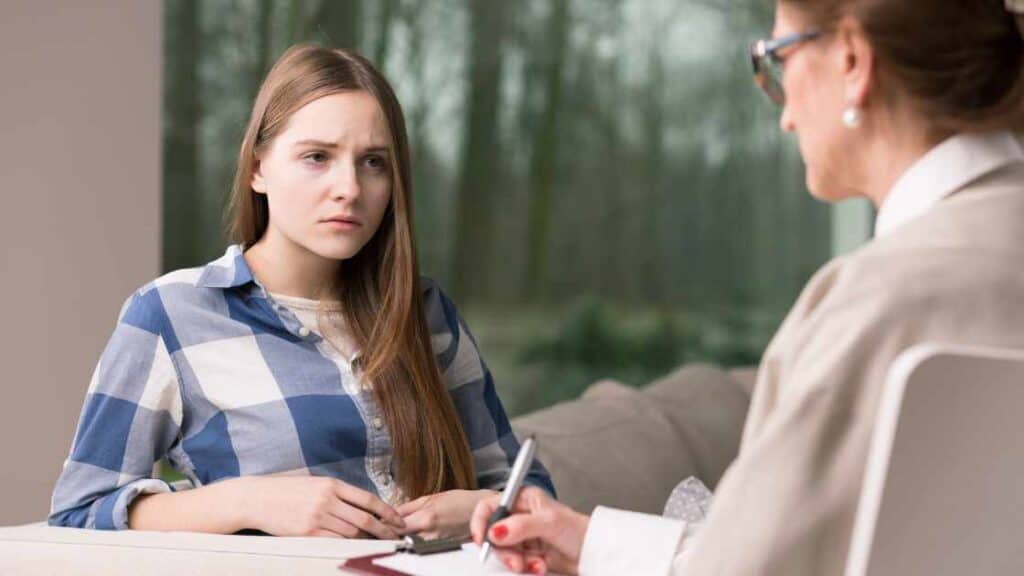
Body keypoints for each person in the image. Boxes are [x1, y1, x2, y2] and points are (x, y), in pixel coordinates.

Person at [471, 1, 1024, 573]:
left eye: (776, 59)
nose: (784, 117)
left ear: (854, 61)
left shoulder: (876, 305)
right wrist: (596, 545)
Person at [48, 44, 553, 540]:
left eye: (374, 162)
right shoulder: (171, 314)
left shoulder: (426, 313)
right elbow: (81, 510)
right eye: (317, 157)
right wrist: (248, 500)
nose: (349, 188)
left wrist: (481, 510)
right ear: (257, 168)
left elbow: (529, 495)